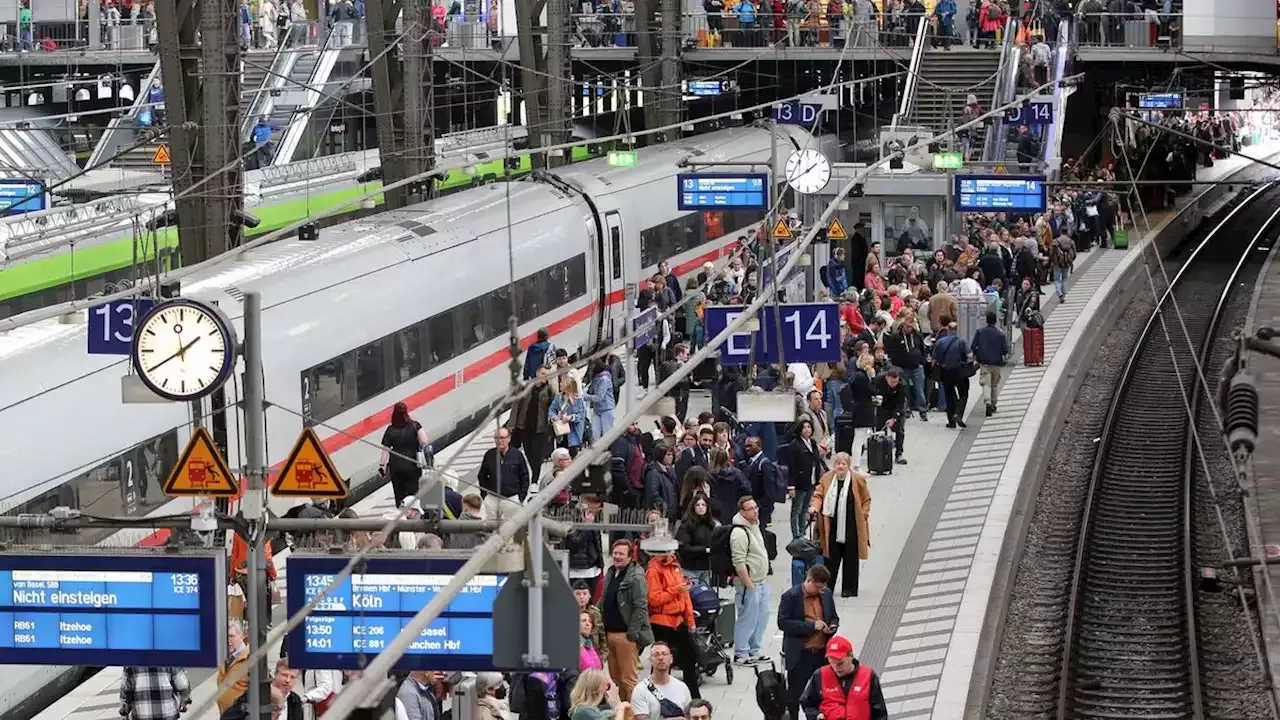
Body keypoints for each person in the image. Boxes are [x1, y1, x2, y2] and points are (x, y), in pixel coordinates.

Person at [778, 565, 839, 720]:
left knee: (822, 695)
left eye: (822, 587)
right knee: (795, 696)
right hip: (800, 655)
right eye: (817, 587)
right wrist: (811, 626)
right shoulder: (790, 596)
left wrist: (832, 626)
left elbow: (833, 616)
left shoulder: (826, 594)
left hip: (821, 654)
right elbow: (783, 623)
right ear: (809, 581)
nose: (820, 591)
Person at [644, 541, 701, 698]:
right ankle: (656, 697)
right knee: (661, 663)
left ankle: (694, 699)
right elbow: (654, 599)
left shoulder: (675, 567)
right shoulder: (653, 570)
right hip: (661, 622)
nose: (666, 553)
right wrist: (676, 590)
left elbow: (685, 596)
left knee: (690, 659)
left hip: (677, 620)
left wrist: (690, 621)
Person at [810, 453, 871, 597]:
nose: (840, 466)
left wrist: (864, 514)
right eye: (838, 463)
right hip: (831, 524)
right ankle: (827, 587)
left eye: (843, 464)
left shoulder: (857, 480)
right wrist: (814, 507)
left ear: (848, 466)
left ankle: (849, 589)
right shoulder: (827, 479)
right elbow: (818, 495)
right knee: (831, 557)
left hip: (852, 523)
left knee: (851, 557)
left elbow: (866, 499)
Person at [600, 538, 653, 701]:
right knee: (616, 678)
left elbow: (641, 607)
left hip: (625, 636)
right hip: (609, 634)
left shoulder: (636, 577)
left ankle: (635, 713)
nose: (617, 557)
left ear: (630, 557)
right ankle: (624, 710)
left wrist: (632, 634)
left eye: (621, 554)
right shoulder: (610, 572)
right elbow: (603, 598)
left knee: (629, 681)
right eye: (615, 553)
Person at [797, 636, 888, 720]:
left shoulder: (868, 676)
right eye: (832, 662)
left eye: (840, 663)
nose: (836, 667)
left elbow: (879, 713)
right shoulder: (820, 675)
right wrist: (816, 715)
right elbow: (807, 703)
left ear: (851, 656)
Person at [730, 496, 771, 665]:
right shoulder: (739, 532)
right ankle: (741, 652)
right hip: (749, 584)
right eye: (751, 509)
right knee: (747, 618)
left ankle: (754, 649)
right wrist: (749, 585)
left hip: (761, 581)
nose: (755, 511)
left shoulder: (754, 525)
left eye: (756, 507)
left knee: (762, 617)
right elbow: (738, 561)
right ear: (742, 512)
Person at [380, 401, 430, 508]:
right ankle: (414, 512)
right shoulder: (415, 425)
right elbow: (425, 441)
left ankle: (401, 514)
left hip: (396, 467)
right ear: (406, 413)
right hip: (413, 464)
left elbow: (385, 449)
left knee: (399, 494)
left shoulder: (390, 430)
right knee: (414, 493)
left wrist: (382, 466)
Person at [509, 364, 556, 474]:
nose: (545, 377)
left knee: (537, 454)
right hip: (524, 426)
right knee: (528, 452)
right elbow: (516, 405)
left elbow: (555, 405)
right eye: (543, 374)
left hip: (541, 428)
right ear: (537, 373)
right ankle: (534, 472)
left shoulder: (550, 390)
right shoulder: (525, 387)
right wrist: (512, 423)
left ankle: (535, 479)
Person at [477, 427, 531, 521]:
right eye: (496, 438)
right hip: (492, 499)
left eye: (502, 437)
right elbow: (482, 476)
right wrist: (484, 496)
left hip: (512, 499)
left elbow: (525, 476)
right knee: (492, 527)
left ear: (509, 438)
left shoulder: (517, 455)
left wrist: (521, 497)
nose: (499, 441)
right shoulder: (489, 454)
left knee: (512, 527)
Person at [630, 642, 695, 720]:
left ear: (671, 659)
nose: (660, 658)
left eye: (664, 654)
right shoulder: (640, 690)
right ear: (650, 660)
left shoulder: (682, 687)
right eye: (656, 655)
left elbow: (690, 715)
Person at [932, 316, 973, 429]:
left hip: (945, 372)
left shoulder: (940, 342)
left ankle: (951, 421)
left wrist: (935, 369)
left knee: (949, 395)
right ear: (957, 329)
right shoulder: (962, 341)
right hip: (959, 371)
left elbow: (934, 359)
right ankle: (958, 414)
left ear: (948, 329)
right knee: (963, 393)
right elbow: (970, 355)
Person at [787, 418, 825, 539]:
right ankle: (796, 535)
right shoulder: (795, 445)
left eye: (809, 427)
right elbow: (791, 467)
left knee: (805, 509)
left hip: (811, 481)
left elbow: (817, 461)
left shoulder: (812, 443)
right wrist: (791, 486)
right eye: (804, 427)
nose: (807, 430)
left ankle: (802, 533)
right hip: (799, 482)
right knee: (796, 510)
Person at [971, 310, 1010, 416]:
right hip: (997, 363)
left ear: (986, 320)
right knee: (994, 385)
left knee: (985, 383)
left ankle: (987, 402)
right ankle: (993, 404)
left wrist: (978, 354)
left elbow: (973, 346)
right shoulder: (1000, 334)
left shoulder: (980, 332)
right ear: (995, 321)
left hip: (984, 363)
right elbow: (1006, 350)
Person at [119, 666, 190, 720]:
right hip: (167, 714)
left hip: (142, 715)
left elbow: (126, 691)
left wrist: (125, 711)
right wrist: (185, 700)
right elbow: (183, 685)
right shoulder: (169, 657)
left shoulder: (131, 661)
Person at [675, 494, 716, 584]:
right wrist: (705, 550)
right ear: (693, 507)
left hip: (707, 568)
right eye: (697, 505)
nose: (700, 507)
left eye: (703, 505)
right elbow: (684, 548)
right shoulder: (686, 525)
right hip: (690, 568)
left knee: (705, 595)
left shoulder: (711, 525)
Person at [871, 368, 908, 465]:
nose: (893, 384)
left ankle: (899, 454)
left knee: (900, 431)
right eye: (891, 382)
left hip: (896, 406)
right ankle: (879, 453)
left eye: (895, 382)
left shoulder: (902, 385)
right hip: (883, 405)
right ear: (887, 378)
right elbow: (873, 391)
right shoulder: (879, 380)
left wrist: (894, 418)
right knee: (880, 430)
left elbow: (901, 403)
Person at [217, 619, 251, 715]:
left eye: (231, 636)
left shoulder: (250, 659)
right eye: (225, 637)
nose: (228, 641)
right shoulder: (225, 658)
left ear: (242, 636)